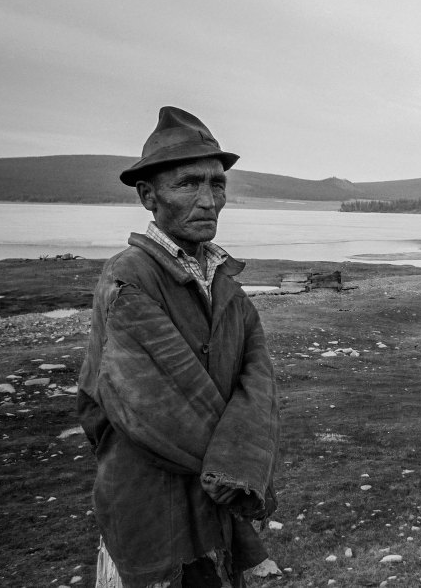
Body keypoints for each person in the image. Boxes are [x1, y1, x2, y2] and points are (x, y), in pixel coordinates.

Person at [77, 107, 279, 588]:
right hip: (153, 507)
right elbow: (159, 409)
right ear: (148, 195)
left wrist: (244, 453)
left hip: (216, 507)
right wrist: (246, 464)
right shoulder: (129, 279)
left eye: (217, 184)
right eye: (188, 183)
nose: (209, 200)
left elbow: (260, 380)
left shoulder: (225, 281)